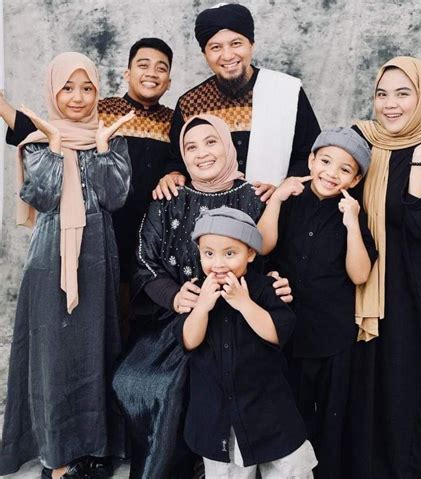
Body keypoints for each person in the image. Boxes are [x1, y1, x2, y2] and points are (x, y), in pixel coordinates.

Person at [112, 114, 273, 479]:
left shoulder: (255, 196)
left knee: (206, 378)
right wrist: (174, 297)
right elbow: (144, 260)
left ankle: (207, 464)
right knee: (133, 379)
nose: (202, 153)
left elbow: (271, 257)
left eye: (211, 142)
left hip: (238, 318)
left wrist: (274, 282)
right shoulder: (169, 196)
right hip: (178, 317)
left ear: (227, 145)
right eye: (191, 147)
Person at [0, 52, 133, 479]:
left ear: (97, 91)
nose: (78, 97)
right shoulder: (38, 139)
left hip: (99, 256)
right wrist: (57, 147)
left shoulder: (110, 135)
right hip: (50, 257)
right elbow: (42, 197)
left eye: (87, 88)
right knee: (53, 354)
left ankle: (95, 448)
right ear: (53, 92)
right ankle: (55, 453)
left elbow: (115, 197)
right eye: (68, 88)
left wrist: (102, 148)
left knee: (96, 349)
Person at [0, 38, 176, 337]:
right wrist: (4, 107)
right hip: (104, 227)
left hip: (152, 233)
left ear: (169, 81)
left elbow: (184, 158)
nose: (151, 73)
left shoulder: (173, 120)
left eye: (161, 68)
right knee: (107, 313)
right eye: (143, 65)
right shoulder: (99, 111)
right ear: (127, 73)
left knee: (144, 316)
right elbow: (45, 134)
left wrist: (174, 172)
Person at [348, 56, 421, 479]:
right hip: (354, 283)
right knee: (356, 389)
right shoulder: (360, 144)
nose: (390, 104)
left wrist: (419, 160)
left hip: (408, 289)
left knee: (401, 387)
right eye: (382, 94)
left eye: (402, 93)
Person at [257, 127, 377, 479]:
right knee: (287, 409)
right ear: (310, 161)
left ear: (355, 179)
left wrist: (351, 223)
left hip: (331, 334)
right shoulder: (289, 199)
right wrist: (277, 199)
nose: (331, 173)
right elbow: (262, 246)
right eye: (325, 161)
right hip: (286, 330)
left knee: (328, 417)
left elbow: (359, 274)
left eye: (345, 169)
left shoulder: (353, 214)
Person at [175, 206, 318, 478]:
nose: (218, 263)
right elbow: (189, 341)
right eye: (209, 254)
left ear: (250, 254)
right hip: (218, 417)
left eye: (230, 254)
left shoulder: (264, 288)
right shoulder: (197, 292)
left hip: (268, 409)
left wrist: (243, 303)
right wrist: (202, 307)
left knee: (289, 470)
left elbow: (277, 333)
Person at [156, 2, 321, 202]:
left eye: (236, 43)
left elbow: (311, 155)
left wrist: (283, 187)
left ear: (251, 44)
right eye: (215, 47)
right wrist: (173, 174)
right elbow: (178, 161)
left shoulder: (287, 91)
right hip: (209, 214)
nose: (227, 55)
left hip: (279, 209)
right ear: (205, 54)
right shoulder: (190, 103)